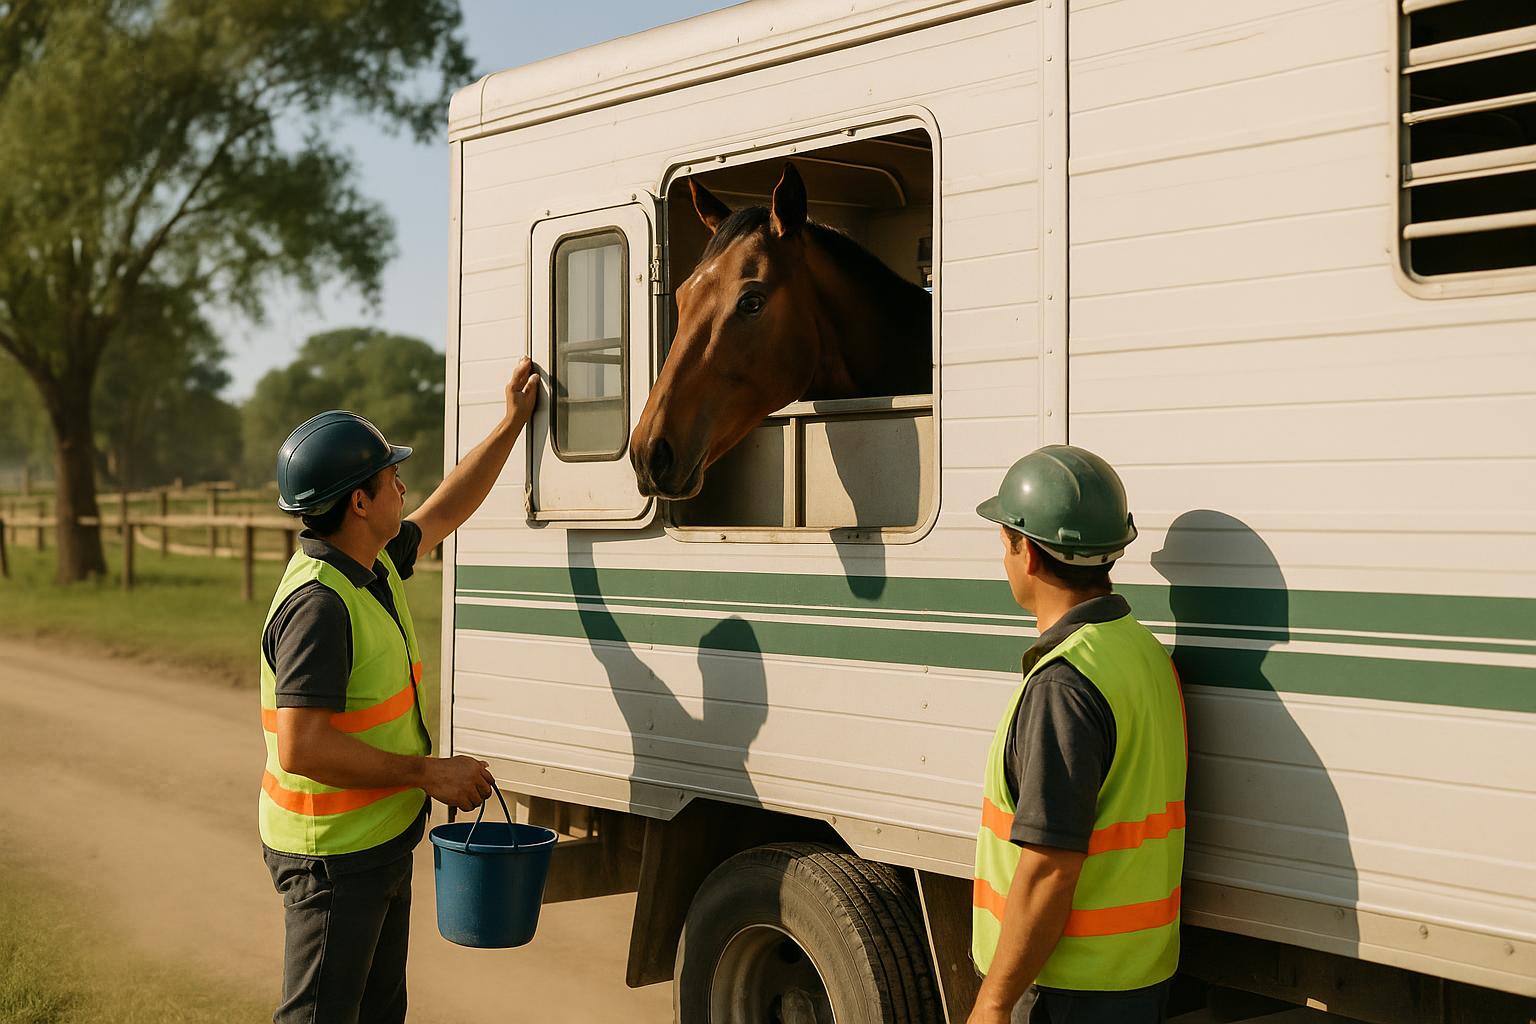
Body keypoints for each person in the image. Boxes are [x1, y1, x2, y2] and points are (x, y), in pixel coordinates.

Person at [259, 358, 539, 1024]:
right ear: (360, 500)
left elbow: (448, 505)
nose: (404, 487)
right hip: (331, 857)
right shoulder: (319, 606)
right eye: (392, 478)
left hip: (374, 843)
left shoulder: (371, 560)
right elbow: (302, 747)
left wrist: (512, 424)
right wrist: (427, 773)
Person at [968, 445, 1187, 1024]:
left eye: (1006, 542)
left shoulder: (1065, 684)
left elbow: (1049, 868)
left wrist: (993, 1001)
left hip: (1063, 990)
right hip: (1135, 978)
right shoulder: (1142, 652)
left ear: (1030, 553)